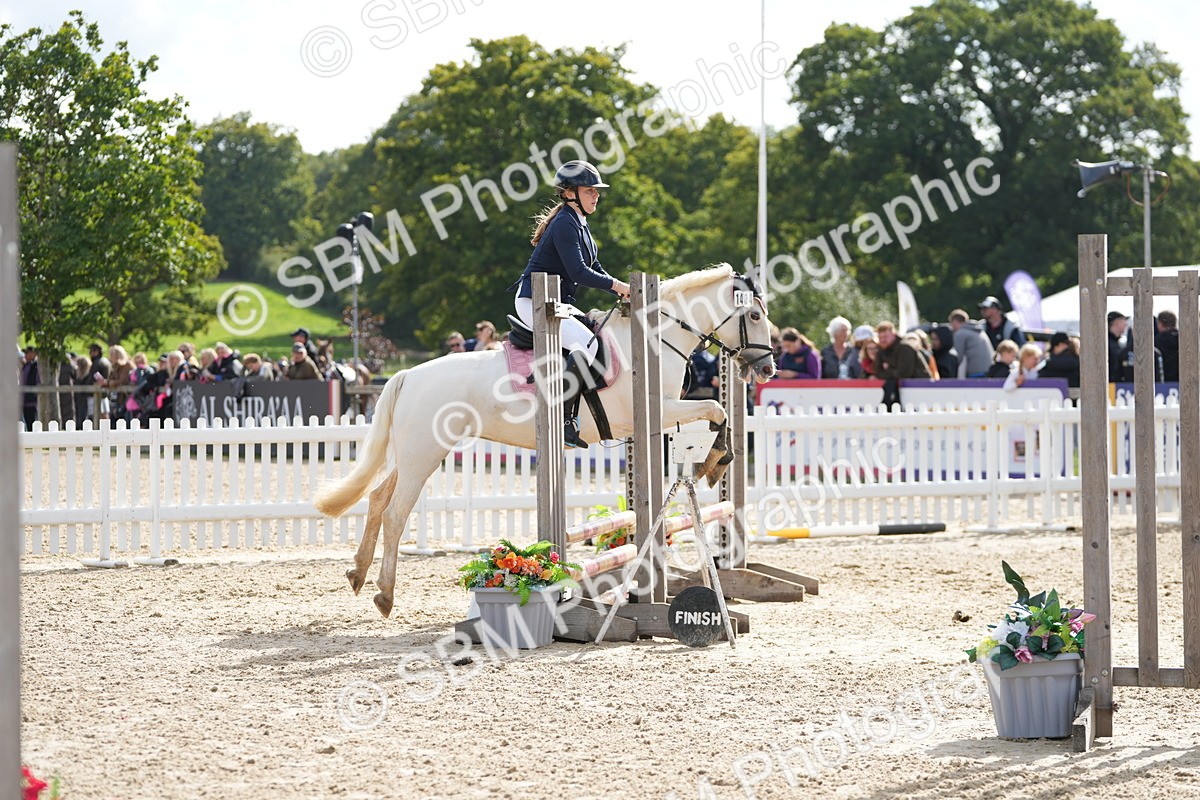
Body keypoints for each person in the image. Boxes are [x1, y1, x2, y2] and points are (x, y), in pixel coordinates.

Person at [509, 160, 631, 447]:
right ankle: (562, 420)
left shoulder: (579, 222)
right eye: (590, 190)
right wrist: (617, 286)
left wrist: (620, 291)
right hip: (535, 301)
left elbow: (594, 264)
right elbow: (578, 272)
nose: (596, 195)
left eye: (596, 191)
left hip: (557, 303)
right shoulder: (565, 222)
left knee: (593, 339)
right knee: (587, 346)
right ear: (569, 193)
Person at [947, 309, 994, 378]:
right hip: (989, 371)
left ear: (955, 321)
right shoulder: (979, 330)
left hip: (975, 373)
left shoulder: (960, 333)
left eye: (951, 322)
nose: (951, 326)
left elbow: (957, 357)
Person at [1155, 310, 1180, 382]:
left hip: (1163, 384)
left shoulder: (1157, 340)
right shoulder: (1183, 339)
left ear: (1160, 324)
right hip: (1183, 381)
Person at [1107, 310, 1128, 383]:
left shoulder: (1116, 343)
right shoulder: (1108, 344)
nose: (1126, 324)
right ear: (1116, 323)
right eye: (1124, 321)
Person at [20, 346, 38, 430]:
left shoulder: (36, 366)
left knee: (34, 424)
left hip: (33, 402)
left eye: (27, 353)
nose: (25, 355)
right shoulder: (25, 366)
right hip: (25, 401)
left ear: (33, 353)